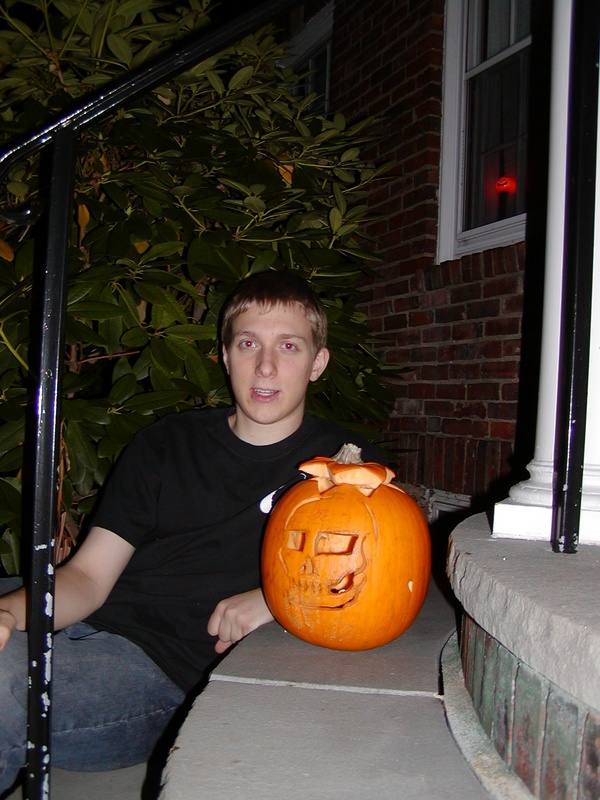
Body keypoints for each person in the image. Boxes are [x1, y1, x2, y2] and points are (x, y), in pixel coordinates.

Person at [0, 271, 385, 795]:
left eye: (289, 346)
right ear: (225, 356)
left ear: (317, 363)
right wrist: (13, 612)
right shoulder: (165, 443)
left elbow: (379, 578)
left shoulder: (347, 467)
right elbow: (88, 577)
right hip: (90, 618)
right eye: (247, 344)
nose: (265, 365)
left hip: (157, 674)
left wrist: (279, 601)